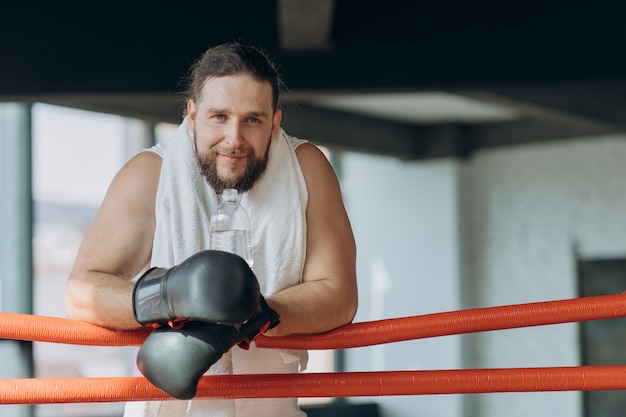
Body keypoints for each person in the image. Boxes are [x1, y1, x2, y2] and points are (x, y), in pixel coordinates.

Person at [64, 42, 358, 417]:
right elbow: (81, 291)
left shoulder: (307, 169)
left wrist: (250, 316)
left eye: (252, 119)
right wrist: (171, 295)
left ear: (275, 122)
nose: (234, 139)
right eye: (219, 116)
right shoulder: (150, 174)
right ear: (192, 114)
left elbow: (340, 294)